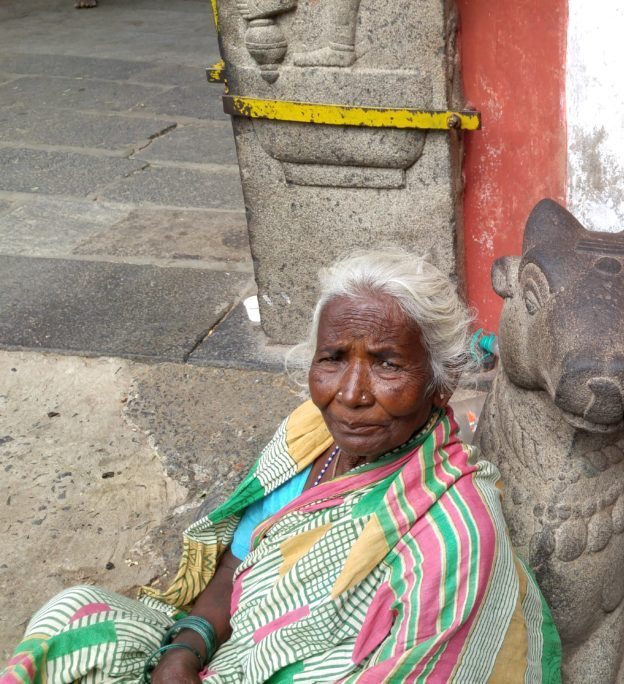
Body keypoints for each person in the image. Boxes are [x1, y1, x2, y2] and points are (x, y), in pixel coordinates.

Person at [2, 251, 562, 683]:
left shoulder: (455, 531)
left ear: (440, 383)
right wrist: (186, 647)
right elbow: (235, 563)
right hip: (222, 656)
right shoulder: (306, 437)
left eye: (388, 364)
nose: (351, 393)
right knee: (69, 615)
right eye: (334, 359)